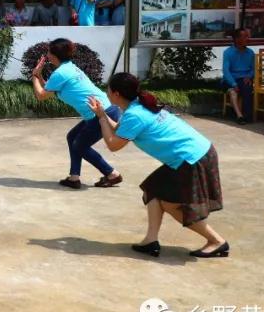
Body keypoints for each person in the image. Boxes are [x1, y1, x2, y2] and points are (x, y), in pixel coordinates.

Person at [90, 73, 228, 259]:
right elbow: (121, 130)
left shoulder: (135, 114)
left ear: (116, 94)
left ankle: (216, 241)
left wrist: (101, 119)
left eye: (108, 89)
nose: (106, 92)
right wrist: (102, 114)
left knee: (171, 205)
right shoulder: (137, 106)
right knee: (154, 189)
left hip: (191, 158)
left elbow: (113, 144)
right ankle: (151, 240)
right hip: (195, 153)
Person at [30, 38, 123, 189]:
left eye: (49, 52)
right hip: (103, 110)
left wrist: (34, 76)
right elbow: (50, 89)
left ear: (55, 55)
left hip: (100, 113)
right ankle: (74, 177)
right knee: (73, 137)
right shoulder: (69, 67)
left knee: (80, 146)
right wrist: (39, 76)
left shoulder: (60, 73)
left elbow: (41, 95)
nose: (47, 55)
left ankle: (112, 174)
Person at [221, 28, 254, 124]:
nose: (248, 39)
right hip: (231, 79)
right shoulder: (228, 52)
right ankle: (239, 116)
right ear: (237, 39)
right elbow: (226, 71)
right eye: (245, 36)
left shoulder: (250, 52)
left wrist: (249, 76)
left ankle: (247, 116)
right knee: (233, 91)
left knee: (247, 88)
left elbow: (253, 69)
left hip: (244, 78)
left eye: (247, 36)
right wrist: (233, 83)